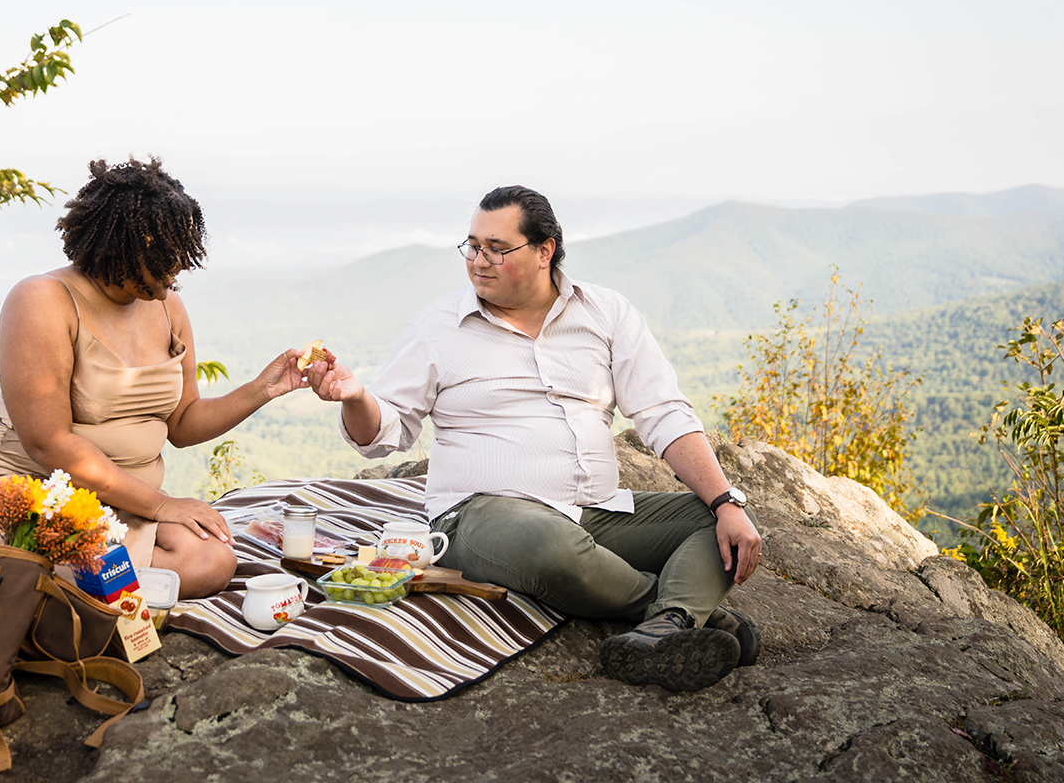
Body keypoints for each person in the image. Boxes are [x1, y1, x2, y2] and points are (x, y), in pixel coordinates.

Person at [305, 184, 763, 691]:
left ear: (545, 251)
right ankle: (681, 615)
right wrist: (354, 397)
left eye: (497, 248)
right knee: (550, 545)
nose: (479, 260)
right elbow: (385, 432)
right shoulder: (437, 327)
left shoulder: (606, 313)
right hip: (483, 513)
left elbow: (663, 412)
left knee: (721, 517)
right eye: (472, 246)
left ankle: (664, 629)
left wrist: (724, 501)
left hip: (594, 510)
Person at [0, 157, 307, 599]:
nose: (172, 275)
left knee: (210, 557)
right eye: (161, 260)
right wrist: (163, 505)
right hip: (35, 492)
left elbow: (182, 423)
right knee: (97, 563)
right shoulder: (42, 301)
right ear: (120, 247)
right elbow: (49, 443)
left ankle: (66, 587)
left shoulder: (168, 307)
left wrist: (264, 388)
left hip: (120, 502)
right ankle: (36, 582)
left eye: (179, 259)